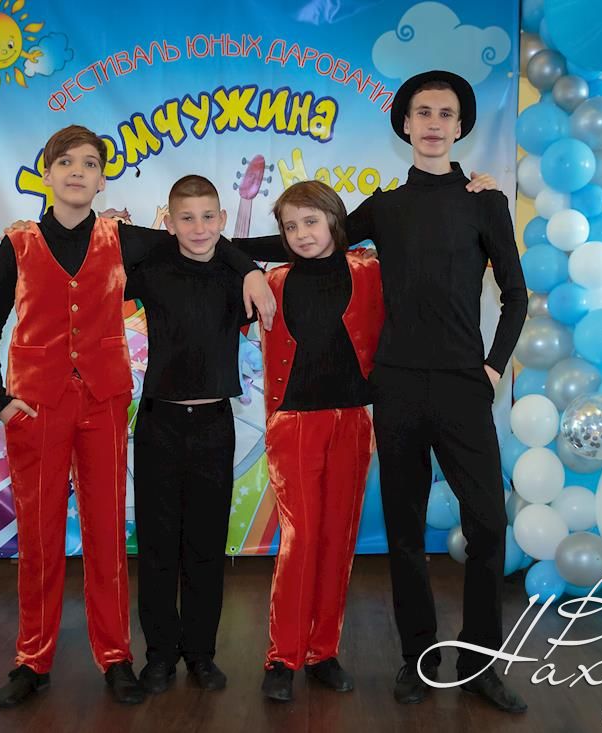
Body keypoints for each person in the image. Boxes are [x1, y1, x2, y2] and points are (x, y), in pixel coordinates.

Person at [236, 70, 528, 713]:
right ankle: (418, 659)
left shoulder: (484, 202)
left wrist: (491, 368)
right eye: (422, 112)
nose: (433, 123)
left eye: (445, 113)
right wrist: (232, 258)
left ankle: (480, 663)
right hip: (396, 387)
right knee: (404, 530)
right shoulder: (386, 207)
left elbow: (515, 294)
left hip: (463, 385)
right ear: (404, 124)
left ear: (460, 126)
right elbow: (308, 241)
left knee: (487, 523)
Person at [0, 126, 272, 708]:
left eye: (90, 163)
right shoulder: (18, 242)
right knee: (39, 539)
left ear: (102, 178)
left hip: (104, 403)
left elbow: (203, 242)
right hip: (36, 406)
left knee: (108, 536)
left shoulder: (123, 238)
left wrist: (252, 270)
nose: (77, 172)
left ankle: (115, 657)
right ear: (47, 173)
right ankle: (32, 660)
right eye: (66, 162)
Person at [124, 175, 257, 695]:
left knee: (205, 546)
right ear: (169, 221)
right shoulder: (152, 269)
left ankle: (201, 653)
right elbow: (103, 246)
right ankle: (159, 655)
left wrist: (246, 265)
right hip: (159, 423)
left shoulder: (236, 275)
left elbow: (275, 256)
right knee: (158, 547)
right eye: (186, 218)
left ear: (222, 220)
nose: (198, 228)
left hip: (214, 426)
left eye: (208, 217)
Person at [258, 180, 383, 702]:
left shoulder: (370, 271)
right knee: (300, 540)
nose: (301, 234)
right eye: (290, 226)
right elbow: (211, 254)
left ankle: (322, 652)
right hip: (294, 423)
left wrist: (476, 187)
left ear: (334, 219)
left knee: (337, 540)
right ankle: (282, 657)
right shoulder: (271, 280)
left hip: (352, 420)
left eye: (310, 221)